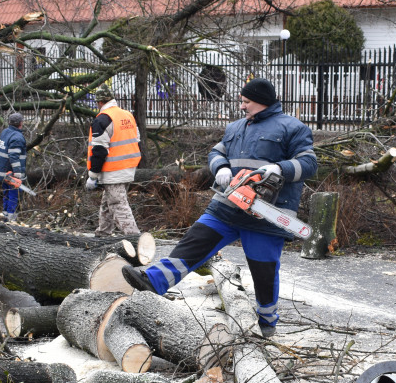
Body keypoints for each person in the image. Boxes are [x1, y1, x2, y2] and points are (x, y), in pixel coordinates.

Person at [121, 78, 317, 338]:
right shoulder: (236, 127)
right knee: (193, 243)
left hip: (267, 212)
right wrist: (221, 167)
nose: (242, 106)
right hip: (227, 204)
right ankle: (153, 281)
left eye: (246, 101)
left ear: (261, 101)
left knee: (264, 269)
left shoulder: (292, 127)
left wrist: (280, 168)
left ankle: (267, 319)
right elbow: (216, 151)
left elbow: (310, 162)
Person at [86, 84, 141, 236]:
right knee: (107, 203)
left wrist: (93, 175)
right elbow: (137, 138)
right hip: (129, 166)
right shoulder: (127, 115)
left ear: (99, 102)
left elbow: (99, 151)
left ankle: (135, 239)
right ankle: (103, 233)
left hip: (113, 169)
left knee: (118, 205)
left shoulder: (103, 119)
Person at [0, 112, 27, 221]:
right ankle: (10, 220)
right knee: (13, 196)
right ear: (21, 123)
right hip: (12, 173)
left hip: (2, 171)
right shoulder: (17, 137)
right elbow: (14, 156)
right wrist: (18, 174)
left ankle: (5, 216)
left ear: (10, 122)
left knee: (6, 194)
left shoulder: (5, 132)